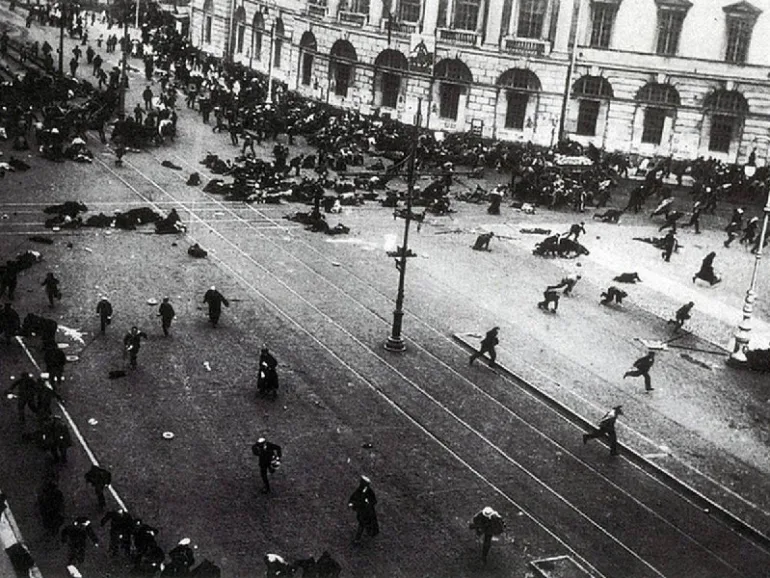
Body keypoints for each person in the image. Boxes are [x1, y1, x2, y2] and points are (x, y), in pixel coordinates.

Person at [348, 475, 379, 542]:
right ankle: (363, 534)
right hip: (361, 510)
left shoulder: (369, 491)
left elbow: (374, 501)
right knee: (363, 523)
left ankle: (358, 538)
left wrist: (368, 502)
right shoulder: (360, 489)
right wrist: (351, 503)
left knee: (363, 524)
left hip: (367, 512)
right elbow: (355, 496)